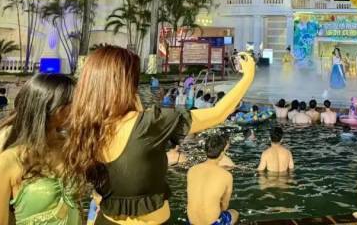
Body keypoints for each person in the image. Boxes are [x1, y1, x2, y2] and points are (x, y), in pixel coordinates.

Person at [63, 46, 255, 225]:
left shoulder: (85, 129)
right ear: (126, 85)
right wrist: (248, 76)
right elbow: (217, 113)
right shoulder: (149, 124)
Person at [0, 74, 80, 225]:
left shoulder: (69, 148)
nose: (79, 108)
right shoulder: (7, 162)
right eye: (72, 103)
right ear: (51, 108)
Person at [187, 134, 238, 225]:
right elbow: (224, 206)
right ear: (222, 153)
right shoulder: (226, 175)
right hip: (212, 223)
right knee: (235, 213)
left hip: (192, 223)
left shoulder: (191, 170)